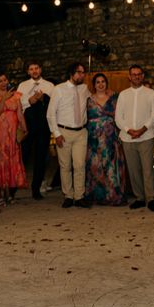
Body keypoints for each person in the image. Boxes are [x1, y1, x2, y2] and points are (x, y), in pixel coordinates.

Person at [115, 65, 154, 212]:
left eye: (139, 74)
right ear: (129, 77)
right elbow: (118, 117)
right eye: (133, 74)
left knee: (148, 169)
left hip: (146, 136)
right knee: (133, 169)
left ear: (142, 76)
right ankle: (139, 198)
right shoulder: (123, 95)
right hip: (127, 137)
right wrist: (129, 130)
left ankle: (151, 199)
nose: (136, 76)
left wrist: (142, 129)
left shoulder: (151, 94)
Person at [46, 62, 91, 209]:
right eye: (79, 72)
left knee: (79, 165)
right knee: (65, 166)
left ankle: (79, 196)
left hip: (81, 132)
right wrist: (56, 134)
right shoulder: (59, 89)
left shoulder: (84, 89)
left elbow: (95, 99)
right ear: (71, 74)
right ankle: (68, 195)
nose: (82, 75)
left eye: (83, 72)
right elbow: (50, 114)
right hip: (64, 132)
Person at [84, 73, 127, 206]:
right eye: (98, 82)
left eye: (103, 82)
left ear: (106, 84)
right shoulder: (88, 99)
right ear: (94, 85)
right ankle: (97, 195)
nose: (101, 84)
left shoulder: (114, 98)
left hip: (110, 137)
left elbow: (121, 116)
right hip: (94, 138)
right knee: (95, 166)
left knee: (110, 165)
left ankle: (112, 195)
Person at [0, 72, 27, 205]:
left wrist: (24, 127)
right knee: (0, 163)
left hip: (12, 134)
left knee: (12, 161)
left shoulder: (16, 95)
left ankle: (9, 194)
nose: (4, 83)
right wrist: (4, 98)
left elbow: (20, 113)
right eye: (0, 80)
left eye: (5, 80)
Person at [17, 61, 54, 200]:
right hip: (28, 123)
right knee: (23, 156)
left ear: (40, 69)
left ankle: (36, 189)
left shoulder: (49, 86)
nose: (34, 71)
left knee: (40, 158)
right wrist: (30, 100)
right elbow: (18, 103)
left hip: (43, 125)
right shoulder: (23, 85)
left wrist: (43, 98)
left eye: (36, 68)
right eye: (31, 69)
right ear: (28, 72)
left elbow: (54, 104)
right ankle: (15, 187)